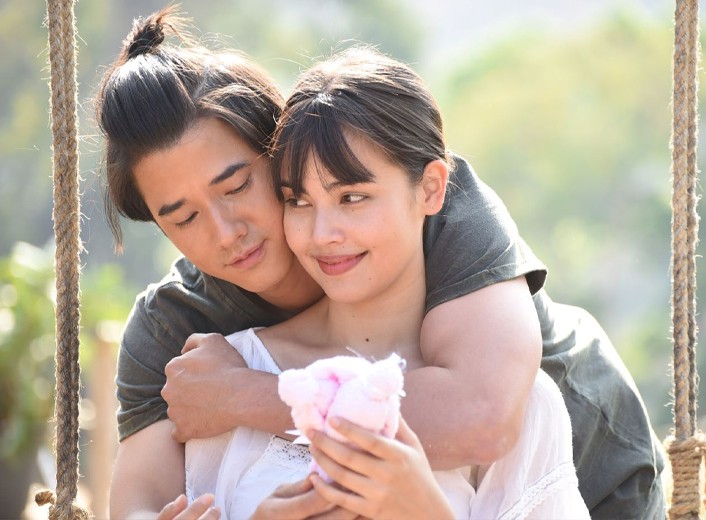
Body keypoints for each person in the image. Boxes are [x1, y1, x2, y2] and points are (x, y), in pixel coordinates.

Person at [96, 7, 664, 519]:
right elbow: (140, 502)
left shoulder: (438, 206)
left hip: (594, 460)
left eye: (237, 186)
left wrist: (247, 395)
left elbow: (481, 418)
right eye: (184, 218)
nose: (226, 233)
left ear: (281, 150)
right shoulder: (175, 325)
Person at [183, 46, 588, 518]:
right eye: (299, 201)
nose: (321, 234)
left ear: (431, 189)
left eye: (352, 197)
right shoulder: (224, 377)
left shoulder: (520, 403)